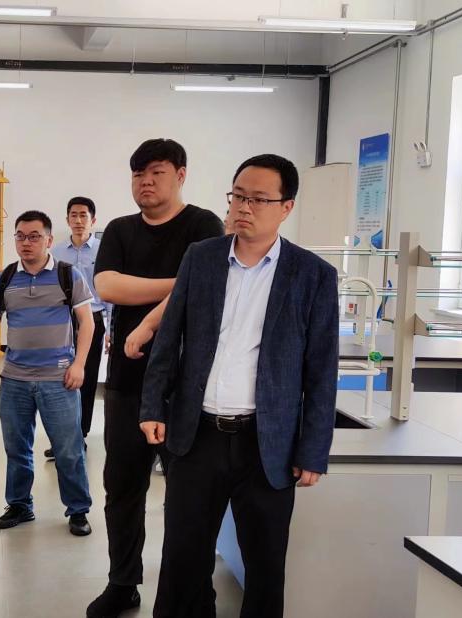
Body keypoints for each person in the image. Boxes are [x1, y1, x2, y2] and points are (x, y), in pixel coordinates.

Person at [133, 154, 339, 617]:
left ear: (286, 207)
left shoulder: (313, 275)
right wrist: (152, 407)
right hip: (197, 437)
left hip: (267, 445)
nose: (244, 207)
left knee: (265, 568)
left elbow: (321, 371)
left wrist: (312, 450)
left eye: (259, 199)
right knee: (183, 562)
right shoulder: (201, 258)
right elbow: (169, 337)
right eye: (238, 196)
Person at [88, 139, 224, 617]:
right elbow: (106, 285)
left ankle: (190, 590)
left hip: (188, 387)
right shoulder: (120, 229)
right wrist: (186, 281)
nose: (145, 182)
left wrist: (183, 287)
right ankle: (122, 582)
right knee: (122, 488)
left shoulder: (203, 225)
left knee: (188, 497)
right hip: (127, 381)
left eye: (156, 172)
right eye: (138, 174)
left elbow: (211, 288)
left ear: (181, 175)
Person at [0, 210, 96, 537]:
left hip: (59, 379)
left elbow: (87, 322)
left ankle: (78, 510)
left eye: (34, 236)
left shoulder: (68, 275)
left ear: (48, 240)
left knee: (68, 449)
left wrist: (79, 364)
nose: (26, 242)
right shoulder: (4, 279)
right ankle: (19, 504)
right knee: (16, 448)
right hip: (14, 379)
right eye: (20, 236)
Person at [44, 196, 111, 459]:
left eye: (84, 215)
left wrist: (111, 329)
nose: (79, 220)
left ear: (93, 220)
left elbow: (109, 294)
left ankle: (80, 435)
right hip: (63, 320)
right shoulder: (57, 252)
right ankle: (62, 437)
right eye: (74, 215)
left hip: (93, 320)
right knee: (61, 379)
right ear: (67, 219)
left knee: (87, 377)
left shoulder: (104, 251)